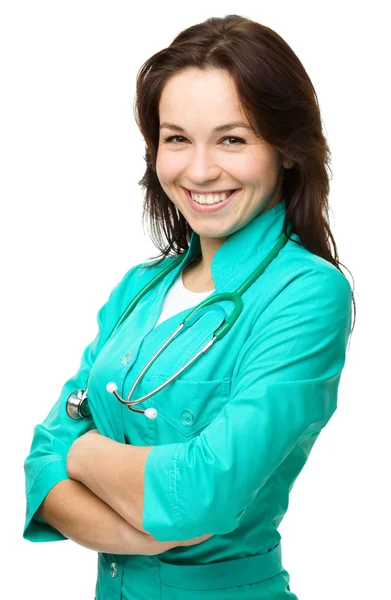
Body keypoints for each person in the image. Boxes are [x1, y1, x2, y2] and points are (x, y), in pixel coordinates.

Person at [23, 14, 356, 600]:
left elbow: (203, 495)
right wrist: (146, 532)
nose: (199, 170)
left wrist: (83, 449)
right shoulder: (138, 289)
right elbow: (40, 465)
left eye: (233, 138)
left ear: (286, 148)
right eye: (177, 138)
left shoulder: (306, 292)